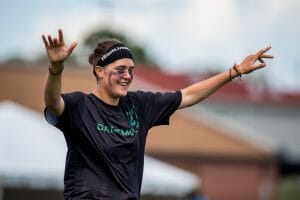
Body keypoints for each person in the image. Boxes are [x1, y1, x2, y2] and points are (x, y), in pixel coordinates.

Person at [42, 29, 273, 200]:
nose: (127, 76)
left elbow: (188, 95)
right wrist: (56, 69)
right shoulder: (80, 105)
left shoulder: (139, 105)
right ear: (99, 71)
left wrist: (234, 72)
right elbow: (53, 102)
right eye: (119, 70)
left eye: (131, 70)